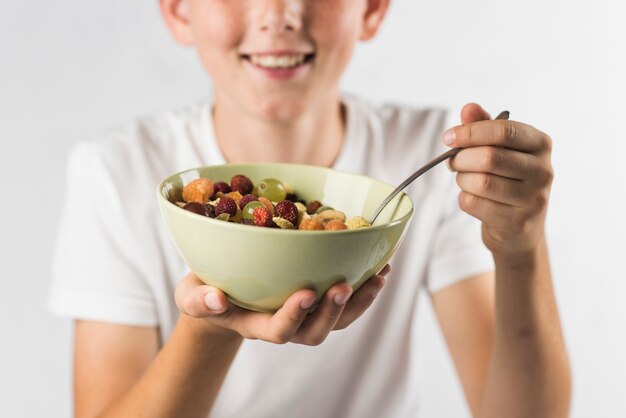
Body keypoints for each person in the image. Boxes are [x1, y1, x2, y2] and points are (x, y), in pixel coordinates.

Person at [49, 1, 571, 417]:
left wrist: (520, 246)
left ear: (371, 9)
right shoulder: (116, 171)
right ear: (178, 10)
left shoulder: (430, 162)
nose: (280, 13)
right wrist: (210, 325)